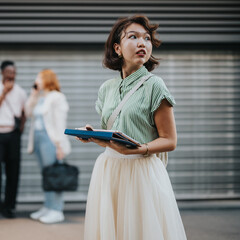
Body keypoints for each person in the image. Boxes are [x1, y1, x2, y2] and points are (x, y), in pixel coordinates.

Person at [79, 15, 187, 239]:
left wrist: (140, 149)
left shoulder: (155, 85)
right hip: (108, 169)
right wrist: (95, 137)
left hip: (141, 172)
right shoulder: (107, 88)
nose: (142, 43)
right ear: (117, 48)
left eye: (147, 38)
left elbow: (170, 140)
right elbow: (113, 136)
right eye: (134, 37)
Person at [0, 60, 27, 224]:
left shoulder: (21, 91)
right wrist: (4, 93)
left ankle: (9, 207)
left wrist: (21, 128)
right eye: (9, 73)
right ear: (2, 73)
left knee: (13, 172)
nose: (12, 76)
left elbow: (23, 113)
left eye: (14, 73)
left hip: (13, 135)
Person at [25, 69, 71, 224]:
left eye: (39, 77)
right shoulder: (40, 97)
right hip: (38, 139)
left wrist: (59, 145)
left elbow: (60, 123)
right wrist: (33, 95)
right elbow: (28, 112)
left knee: (54, 175)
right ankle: (48, 206)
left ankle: (57, 210)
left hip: (50, 140)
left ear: (47, 79)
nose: (36, 80)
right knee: (46, 175)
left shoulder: (57, 97)